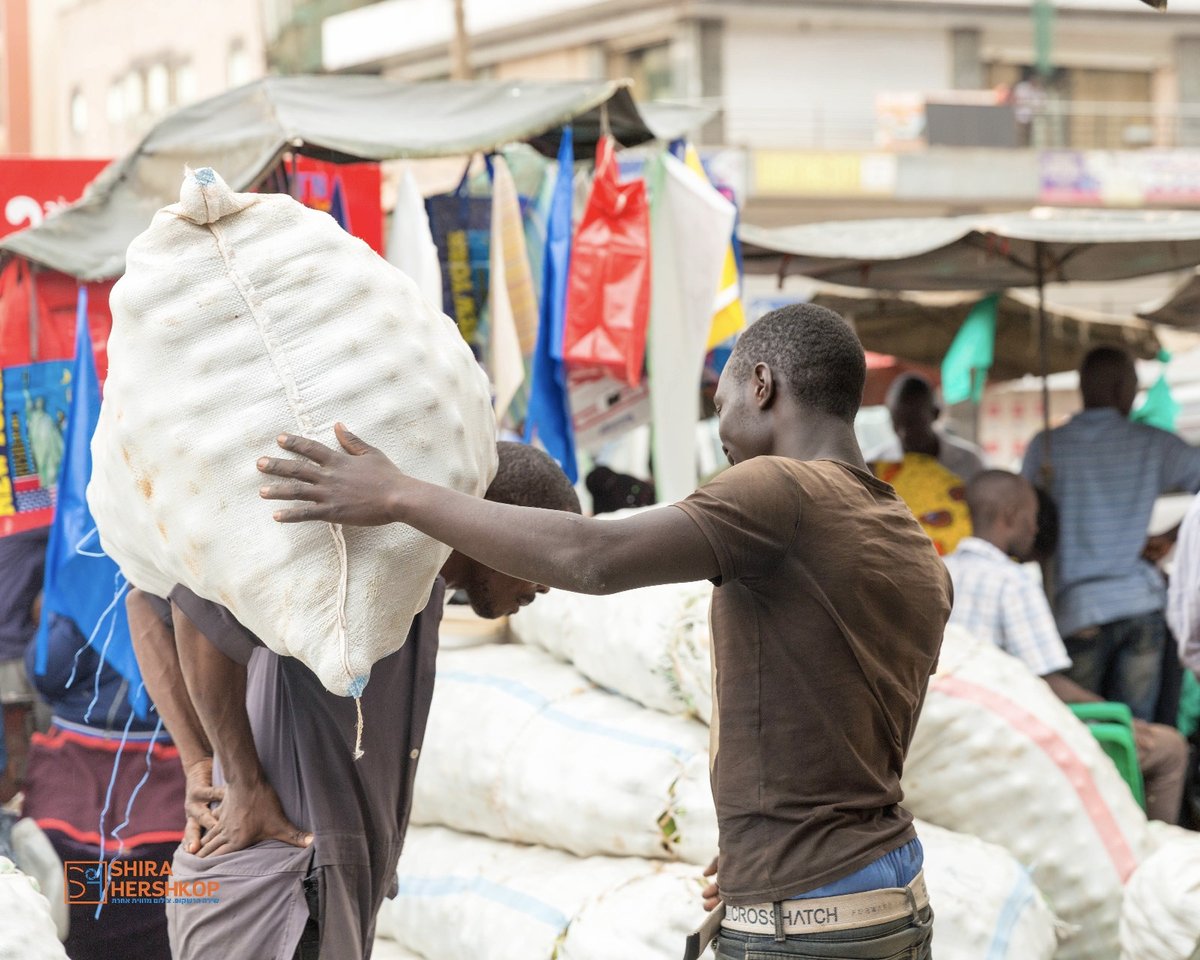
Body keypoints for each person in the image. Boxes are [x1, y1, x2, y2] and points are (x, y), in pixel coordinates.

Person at [258, 304, 952, 960]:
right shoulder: (912, 546)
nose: (725, 437)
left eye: (722, 409)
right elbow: (851, 730)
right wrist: (762, 842)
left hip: (804, 915)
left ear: (762, 385)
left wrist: (396, 494)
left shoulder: (781, 490)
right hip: (890, 891)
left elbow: (593, 557)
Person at [128, 441, 581, 960]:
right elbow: (184, 601)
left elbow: (145, 606)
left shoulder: (418, 590)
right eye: (543, 557)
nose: (549, 584)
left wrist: (202, 763)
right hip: (277, 898)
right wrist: (230, 774)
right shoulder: (371, 566)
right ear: (495, 526)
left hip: (295, 893)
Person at [945, 470, 1189, 824]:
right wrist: (1121, 716)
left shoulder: (938, 571)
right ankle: (1152, 856)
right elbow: (1051, 685)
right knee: (1169, 747)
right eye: (1032, 518)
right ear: (1011, 517)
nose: (1036, 529)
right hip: (1011, 741)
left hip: (958, 735)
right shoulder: (1012, 582)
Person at [1022, 346, 1200, 721]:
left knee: (1085, 731)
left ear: (1083, 388)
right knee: (1137, 734)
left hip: (1077, 611)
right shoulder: (1152, 442)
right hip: (1140, 608)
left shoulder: (1048, 447)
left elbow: (1027, 526)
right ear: (1123, 389)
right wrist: (1173, 534)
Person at [22, 611, 185, 960]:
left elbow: (48, 673)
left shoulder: (93, 574)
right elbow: (47, 673)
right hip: (99, 749)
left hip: (164, 751)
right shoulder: (87, 578)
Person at [0, 526, 50, 801]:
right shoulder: (26, 529)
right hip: (20, 654)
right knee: (41, 742)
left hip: (16, 652)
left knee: (18, 747)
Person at [884, 373, 987, 482]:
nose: (903, 433)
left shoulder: (969, 462)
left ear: (936, 413)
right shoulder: (876, 468)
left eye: (913, 422)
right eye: (896, 422)